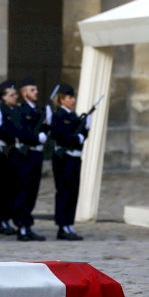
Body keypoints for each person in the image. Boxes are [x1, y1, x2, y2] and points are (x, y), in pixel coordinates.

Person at [50, 84, 90, 241]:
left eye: (73, 97)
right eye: (69, 98)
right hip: (63, 158)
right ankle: (62, 225)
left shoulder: (74, 116)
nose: (73, 100)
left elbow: (80, 136)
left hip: (74, 158)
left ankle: (69, 223)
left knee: (73, 191)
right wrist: (79, 137)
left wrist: (86, 128)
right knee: (64, 191)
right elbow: (61, 136)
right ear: (62, 100)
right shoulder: (58, 115)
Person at [11, 77, 49, 241]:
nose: (36, 92)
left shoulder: (38, 111)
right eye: (32, 90)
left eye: (36, 90)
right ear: (24, 93)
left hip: (36, 154)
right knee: (23, 190)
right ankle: (21, 226)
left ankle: (27, 224)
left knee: (33, 190)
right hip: (25, 154)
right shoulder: (20, 110)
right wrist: (37, 137)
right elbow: (21, 131)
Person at [0, 80, 19, 237]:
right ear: (3, 97)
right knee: (3, 188)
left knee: (12, 188)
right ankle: (0, 220)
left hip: (14, 151)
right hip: (3, 152)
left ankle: (7, 218)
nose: (15, 97)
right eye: (12, 95)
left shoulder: (16, 110)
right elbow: (1, 130)